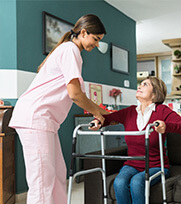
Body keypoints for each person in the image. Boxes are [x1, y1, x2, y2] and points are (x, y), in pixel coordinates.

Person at [9, 14, 109, 204]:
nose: (96, 45)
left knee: (57, 176)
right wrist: (99, 111)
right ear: (84, 32)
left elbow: (76, 95)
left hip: (46, 121)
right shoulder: (70, 50)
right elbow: (75, 94)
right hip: (35, 117)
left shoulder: (72, 52)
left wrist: (97, 112)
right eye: (95, 39)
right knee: (42, 181)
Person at [89, 76, 181, 204]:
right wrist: (97, 121)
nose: (139, 86)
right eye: (140, 84)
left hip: (156, 166)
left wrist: (166, 126)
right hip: (132, 164)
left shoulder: (162, 111)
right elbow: (108, 118)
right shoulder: (130, 112)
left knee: (137, 182)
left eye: (145, 84)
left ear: (155, 94)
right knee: (119, 182)